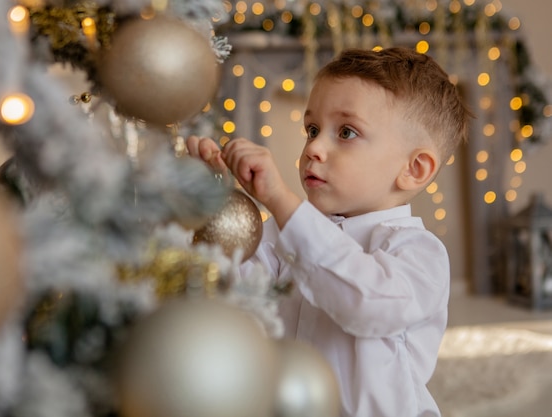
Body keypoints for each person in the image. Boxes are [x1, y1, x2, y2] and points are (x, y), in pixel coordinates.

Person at [187, 47, 472, 417]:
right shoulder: (282, 232)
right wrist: (208, 208)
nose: (314, 148)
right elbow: (234, 297)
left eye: (347, 132)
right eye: (313, 129)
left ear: (414, 169)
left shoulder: (419, 253)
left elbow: (365, 303)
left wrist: (282, 201)